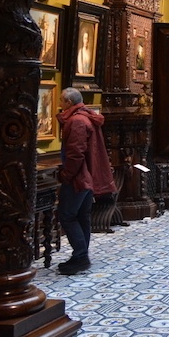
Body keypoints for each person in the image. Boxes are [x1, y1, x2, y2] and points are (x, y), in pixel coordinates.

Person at [56, 87, 116, 275]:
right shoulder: (86, 117)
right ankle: (81, 255)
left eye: (61, 101)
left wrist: (67, 175)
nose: (59, 104)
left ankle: (81, 255)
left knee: (66, 214)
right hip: (89, 176)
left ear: (68, 103)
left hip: (79, 178)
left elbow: (76, 152)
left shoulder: (77, 121)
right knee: (82, 215)